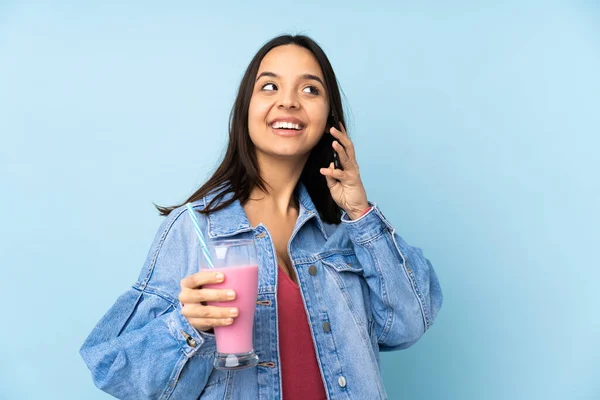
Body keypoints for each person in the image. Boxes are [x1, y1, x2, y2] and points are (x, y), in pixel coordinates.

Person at [80, 34, 443, 400]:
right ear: (246, 109)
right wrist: (188, 327)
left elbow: (407, 326)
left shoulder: (343, 231)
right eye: (269, 86)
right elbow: (114, 371)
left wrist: (361, 214)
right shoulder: (196, 230)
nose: (288, 101)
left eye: (310, 90)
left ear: (330, 117)